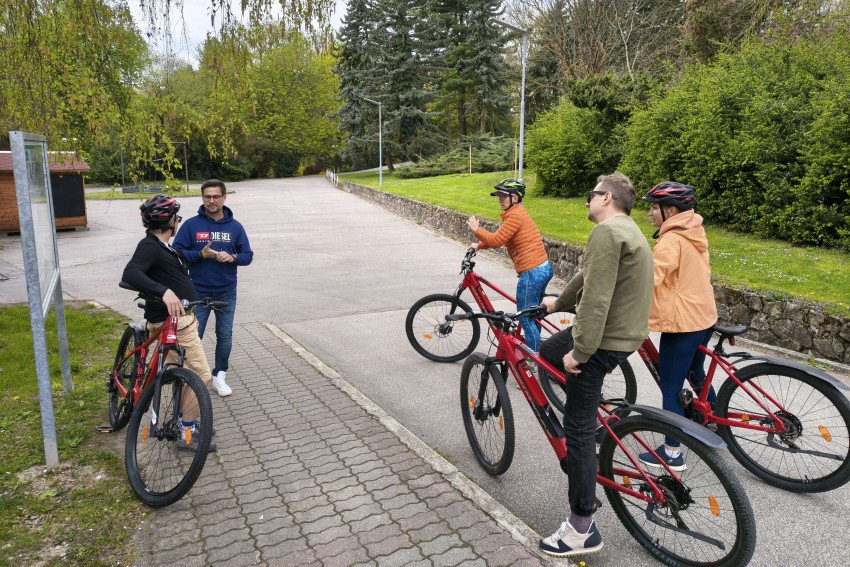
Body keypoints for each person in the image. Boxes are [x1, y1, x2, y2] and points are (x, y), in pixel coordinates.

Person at [538, 172, 653, 557]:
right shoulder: (629, 230)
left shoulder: (606, 233)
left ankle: (581, 528)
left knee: (579, 431)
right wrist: (557, 304)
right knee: (548, 350)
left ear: (606, 198)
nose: (587, 201)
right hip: (624, 337)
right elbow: (588, 277)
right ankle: (587, 406)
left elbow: (597, 299)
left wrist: (581, 352)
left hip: (602, 342)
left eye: (591, 195)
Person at [122, 194, 216, 453]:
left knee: (180, 376)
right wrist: (163, 291)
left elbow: (169, 270)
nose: (178, 222)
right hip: (175, 324)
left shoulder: (161, 246)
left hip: (178, 321)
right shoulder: (150, 246)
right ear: (169, 221)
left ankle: (182, 420)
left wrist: (199, 255)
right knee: (201, 375)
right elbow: (131, 272)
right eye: (177, 218)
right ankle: (187, 432)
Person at [638, 181, 718, 471]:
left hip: (683, 323)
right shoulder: (694, 230)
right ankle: (715, 420)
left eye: (653, 207)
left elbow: (650, 276)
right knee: (696, 373)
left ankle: (672, 453)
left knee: (670, 386)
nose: (649, 213)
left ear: (670, 210)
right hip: (704, 316)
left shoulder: (672, 239)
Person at [173, 179, 253, 397]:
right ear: (202, 198)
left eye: (216, 196)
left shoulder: (235, 227)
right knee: (193, 335)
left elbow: (248, 256)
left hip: (226, 291)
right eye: (207, 196)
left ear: (224, 198)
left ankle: (219, 375)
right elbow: (176, 253)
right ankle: (192, 378)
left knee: (224, 335)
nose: (211, 201)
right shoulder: (191, 225)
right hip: (197, 292)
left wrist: (234, 257)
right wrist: (200, 254)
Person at [467, 178, 553, 355]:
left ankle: (535, 361)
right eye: (498, 195)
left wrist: (477, 230)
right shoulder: (516, 213)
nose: (499, 199)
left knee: (526, 317)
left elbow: (497, 240)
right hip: (541, 268)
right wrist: (479, 245)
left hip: (532, 272)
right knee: (533, 314)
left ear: (515, 197)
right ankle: (540, 352)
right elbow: (503, 237)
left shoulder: (515, 215)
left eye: (503, 195)